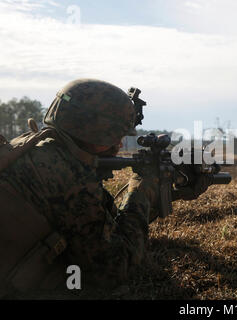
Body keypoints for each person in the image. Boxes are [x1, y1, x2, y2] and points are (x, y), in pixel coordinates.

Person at [0, 79, 212, 297]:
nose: (119, 145)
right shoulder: (66, 174)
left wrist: (164, 191)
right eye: (116, 135)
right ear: (94, 130)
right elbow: (114, 268)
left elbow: (106, 223)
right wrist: (142, 190)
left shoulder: (38, 147)